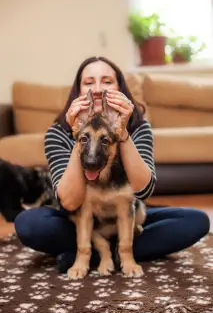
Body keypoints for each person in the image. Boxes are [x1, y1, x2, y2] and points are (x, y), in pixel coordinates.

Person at [14, 56, 210, 273]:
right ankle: (100, 252)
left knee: (195, 221)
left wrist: (122, 131)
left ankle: (101, 252)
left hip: (124, 213)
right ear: (78, 91)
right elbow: (70, 202)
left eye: (107, 81)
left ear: (121, 88)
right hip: (79, 218)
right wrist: (77, 133)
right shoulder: (58, 132)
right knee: (30, 224)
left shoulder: (139, 127)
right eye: (89, 82)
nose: (98, 89)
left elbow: (142, 191)